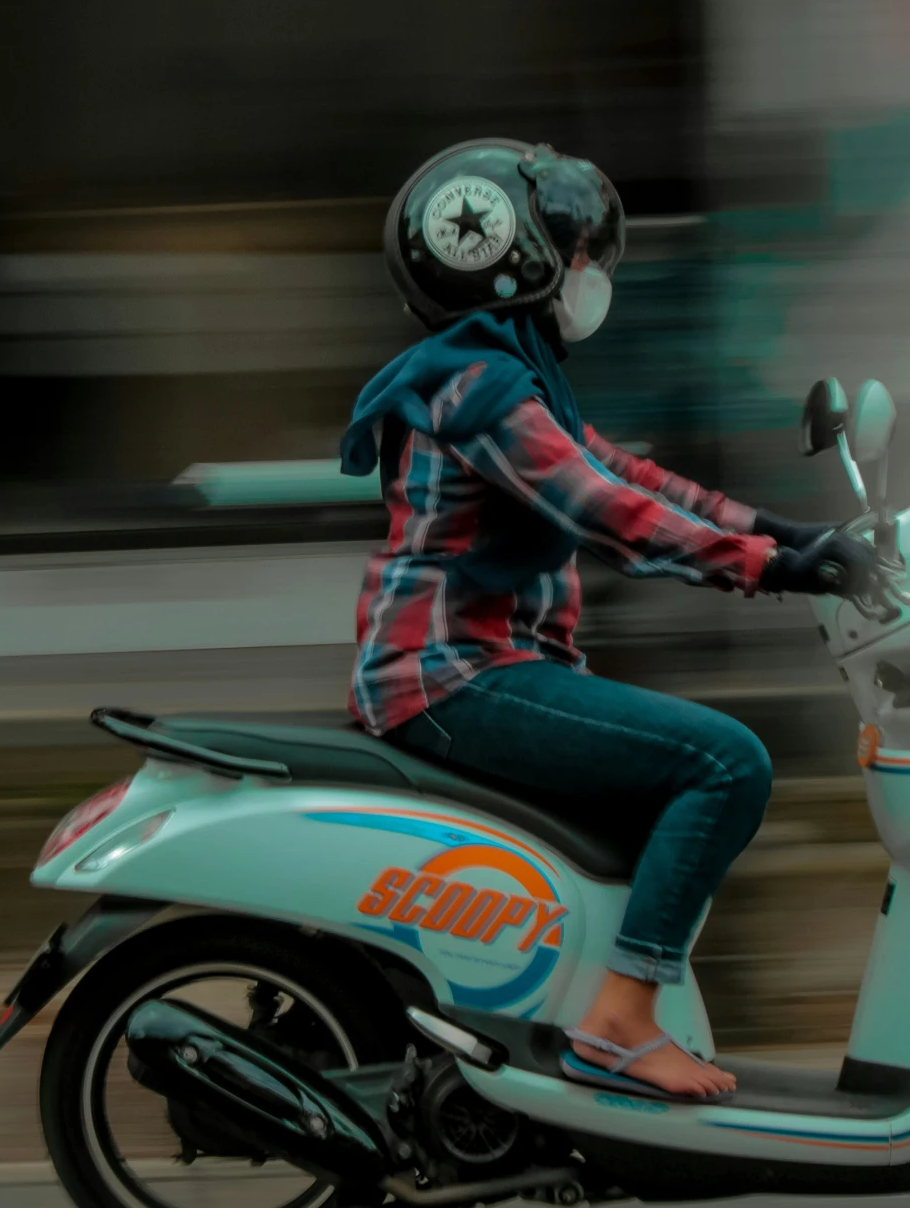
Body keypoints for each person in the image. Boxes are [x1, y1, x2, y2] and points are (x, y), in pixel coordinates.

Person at [340, 139, 872, 1101]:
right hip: (456, 674)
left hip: (479, 667)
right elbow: (603, 511)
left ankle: (602, 1013)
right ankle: (619, 1025)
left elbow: (630, 474)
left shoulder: (507, 374)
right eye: (573, 251)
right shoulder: (481, 388)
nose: (589, 272)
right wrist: (774, 569)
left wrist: (785, 530)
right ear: (513, 259)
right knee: (725, 762)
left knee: (669, 790)